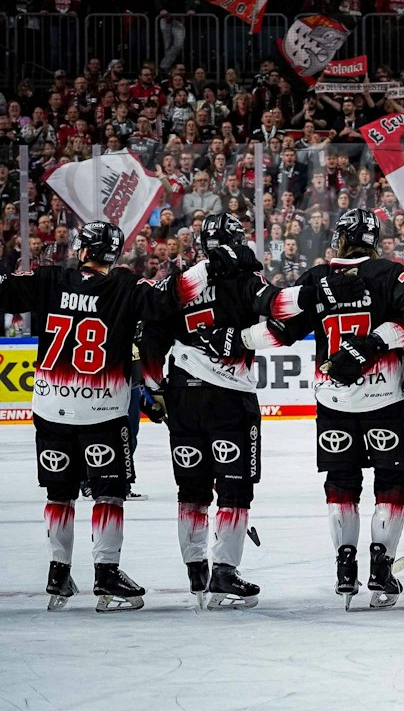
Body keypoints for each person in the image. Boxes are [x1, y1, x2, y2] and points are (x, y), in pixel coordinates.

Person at [264, 208, 404, 608]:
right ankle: (381, 569)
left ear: (340, 239)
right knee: (392, 482)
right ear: (374, 240)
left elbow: (280, 330)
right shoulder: (391, 273)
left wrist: (232, 339)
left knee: (341, 485)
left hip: (333, 400)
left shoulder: (315, 277)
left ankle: (346, 568)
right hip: (384, 399)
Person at [0, 221, 180, 611]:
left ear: (82, 250)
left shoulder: (50, 279)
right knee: (109, 493)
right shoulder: (127, 286)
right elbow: (165, 306)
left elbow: (5, 292)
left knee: (59, 494)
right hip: (102, 410)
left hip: (50, 408)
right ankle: (106, 573)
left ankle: (58, 572)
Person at [151, 213, 279, 608]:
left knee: (191, 490)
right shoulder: (244, 280)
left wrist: (154, 389)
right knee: (234, 487)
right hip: (229, 397)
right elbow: (277, 316)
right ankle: (224, 571)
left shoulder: (179, 283)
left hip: (182, 396)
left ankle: (196, 571)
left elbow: (151, 329)